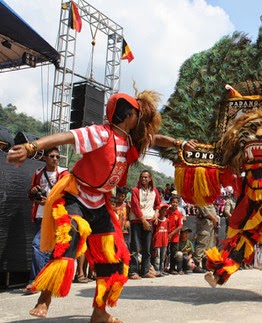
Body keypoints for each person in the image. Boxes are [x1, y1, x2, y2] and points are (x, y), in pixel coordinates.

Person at [7, 89, 197, 322]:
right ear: (128, 116)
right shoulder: (100, 133)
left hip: (100, 203)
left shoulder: (130, 140)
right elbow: (66, 137)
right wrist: (31, 147)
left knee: (112, 258)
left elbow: (156, 140)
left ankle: (99, 311)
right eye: (138, 115)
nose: (141, 120)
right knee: (71, 237)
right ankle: (44, 299)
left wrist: (180, 143)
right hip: (76, 196)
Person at [24, 147, 69, 293]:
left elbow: (67, 195)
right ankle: (41, 280)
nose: (55, 159)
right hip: (40, 215)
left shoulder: (64, 173)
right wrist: (33, 192)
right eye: (52, 156)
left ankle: (37, 280)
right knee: (41, 247)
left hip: (56, 215)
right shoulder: (38, 173)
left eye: (57, 157)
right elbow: (31, 193)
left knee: (44, 247)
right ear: (45, 158)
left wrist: (49, 201)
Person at [129, 170, 162, 279]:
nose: (143, 179)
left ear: (150, 178)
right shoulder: (135, 190)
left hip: (149, 220)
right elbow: (135, 206)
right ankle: (133, 271)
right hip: (137, 221)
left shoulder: (155, 191)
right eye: (142, 177)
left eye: (146, 177)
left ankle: (145, 270)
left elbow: (158, 204)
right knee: (135, 247)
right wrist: (143, 221)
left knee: (147, 248)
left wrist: (156, 213)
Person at [193, 204, 218, 272]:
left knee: (209, 245)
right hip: (204, 223)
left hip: (211, 224)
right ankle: (196, 264)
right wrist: (213, 218)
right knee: (202, 243)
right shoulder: (202, 200)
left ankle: (205, 264)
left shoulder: (210, 201)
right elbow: (204, 210)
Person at [167, 196, 184, 274]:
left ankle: (172, 268)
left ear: (178, 203)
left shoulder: (179, 214)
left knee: (174, 252)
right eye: (173, 202)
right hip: (166, 235)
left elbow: (180, 226)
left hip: (175, 237)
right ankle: (163, 268)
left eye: (176, 203)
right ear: (170, 203)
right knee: (165, 252)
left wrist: (172, 233)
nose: (174, 204)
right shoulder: (166, 212)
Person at [152, 202, 169, 275]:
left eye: (165, 210)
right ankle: (157, 270)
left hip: (164, 241)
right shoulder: (156, 220)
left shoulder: (167, 220)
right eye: (162, 210)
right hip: (157, 242)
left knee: (163, 256)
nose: (164, 212)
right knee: (157, 257)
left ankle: (162, 270)